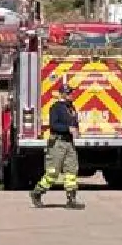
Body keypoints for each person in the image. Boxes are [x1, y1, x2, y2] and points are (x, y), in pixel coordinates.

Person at [30, 80, 84, 209]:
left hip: (69, 143)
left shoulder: (71, 107)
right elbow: (54, 125)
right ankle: (37, 192)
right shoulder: (56, 107)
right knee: (52, 173)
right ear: (62, 94)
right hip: (57, 143)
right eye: (69, 93)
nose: (72, 95)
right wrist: (67, 128)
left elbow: (73, 123)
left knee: (71, 170)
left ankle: (71, 200)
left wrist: (76, 130)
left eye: (72, 92)